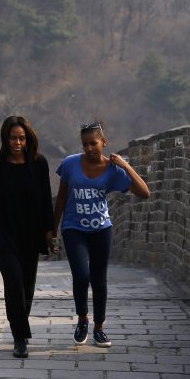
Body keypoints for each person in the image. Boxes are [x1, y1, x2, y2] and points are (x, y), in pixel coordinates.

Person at [53, 121, 150, 347]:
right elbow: (61, 198)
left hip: (101, 230)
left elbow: (145, 193)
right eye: (85, 144)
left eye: (93, 143)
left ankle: (99, 328)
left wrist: (126, 167)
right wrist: (52, 230)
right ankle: (82, 320)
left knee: (99, 279)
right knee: (81, 275)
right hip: (73, 228)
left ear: (103, 142)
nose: (88, 148)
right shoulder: (70, 164)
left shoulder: (113, 170)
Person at [0, 116, 56, 359]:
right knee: (13, 280)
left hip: (30, 233)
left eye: (21, 137)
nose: (17, 142)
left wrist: (49, 233)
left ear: (28, 137)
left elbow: (45, 200)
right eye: (13, 138)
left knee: (27, 287)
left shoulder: (38, 164)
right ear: (5, 138)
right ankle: (20, 337)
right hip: (1, 234)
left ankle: (18, 328)